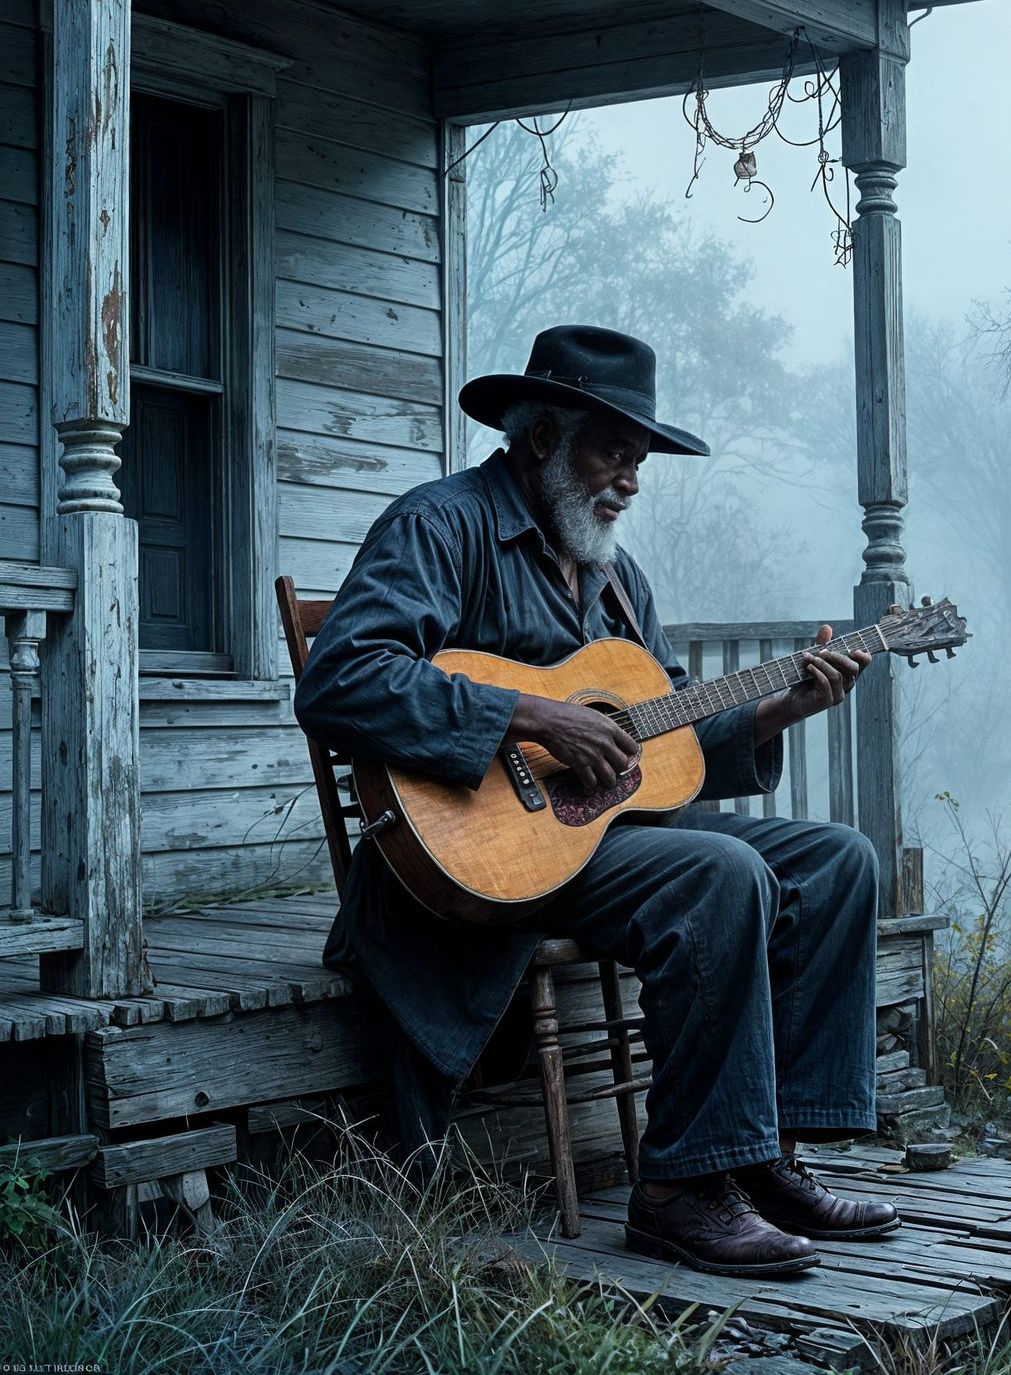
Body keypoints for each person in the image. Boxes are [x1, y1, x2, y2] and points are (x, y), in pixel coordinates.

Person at [294, 323, 898, 1278]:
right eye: (614, 451)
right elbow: (341, 680)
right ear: (543, 440)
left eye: (639, 458)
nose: (632, 478)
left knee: (839, 860)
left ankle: (766, 1154)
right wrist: (531, 715)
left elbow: (661, 744)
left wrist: (779, 709)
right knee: (722, 871)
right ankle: (678, 1193)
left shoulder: (619, 583)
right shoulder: (439, 526)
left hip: (594, 844)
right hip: (480, 855)